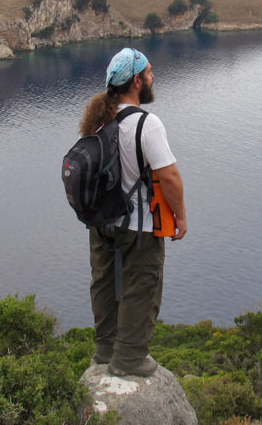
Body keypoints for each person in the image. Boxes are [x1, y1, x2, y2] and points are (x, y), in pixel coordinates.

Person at [79, 47, 187, 377]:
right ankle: (129, 359)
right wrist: (180, 216)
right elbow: (168, 176)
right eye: (150, 73)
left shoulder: (98, 120)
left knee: (104, 283)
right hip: (139, 226)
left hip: (102, 223)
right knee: (142, 285)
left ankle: (105, 350)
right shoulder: (147, 124)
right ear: (137, 81)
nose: (154, 78)